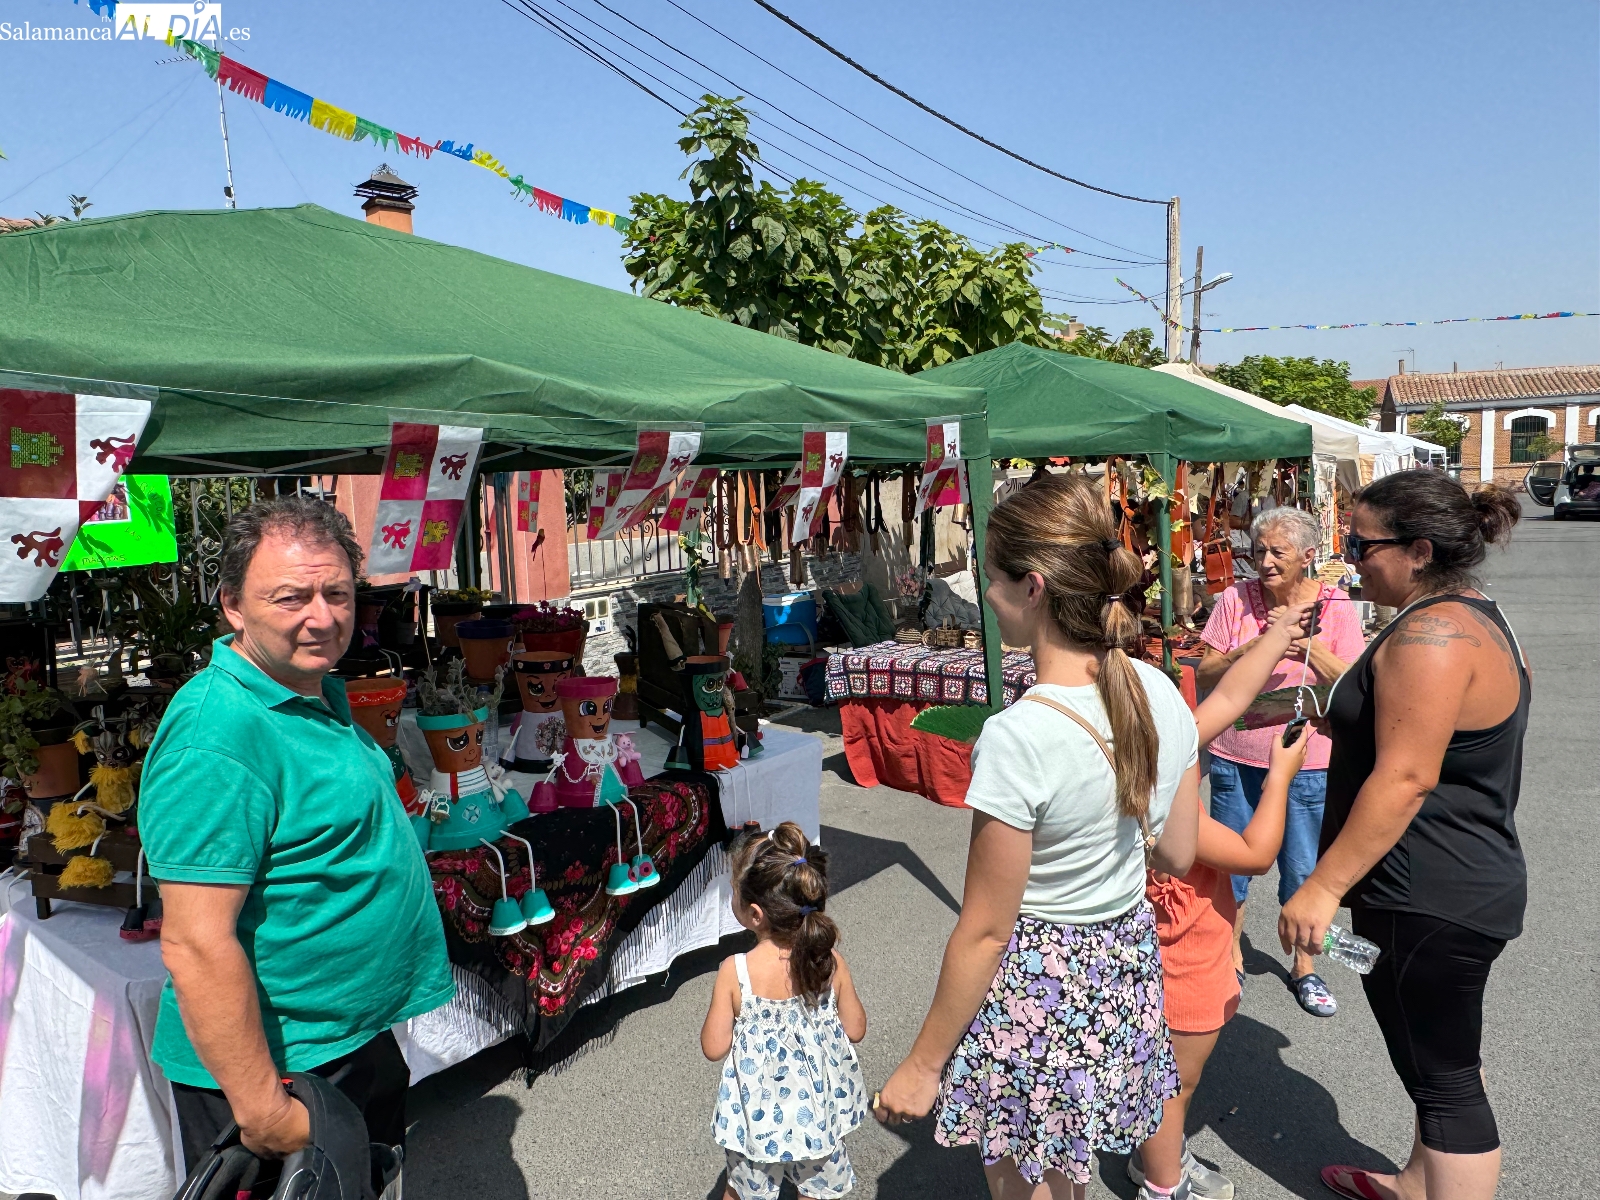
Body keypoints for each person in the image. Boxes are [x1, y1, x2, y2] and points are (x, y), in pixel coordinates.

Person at [873, 474, 1200, 1200]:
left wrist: (924, 1064)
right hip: (1120, 965)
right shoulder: (1162, 691)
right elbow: (1178, 853)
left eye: (990, 578)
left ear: (1034, 587)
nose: (984, 596)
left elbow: (987, 930)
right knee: (1067, 1167)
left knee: (1030, 1182)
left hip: (1040, 983)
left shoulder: (1019, 736)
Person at [140, 496, 453, 1186]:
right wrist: (261, 1108)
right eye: (291, 597)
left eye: (337, 593)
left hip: (348, 1040)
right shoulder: (218, 734)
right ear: (232, 606)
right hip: (283, 1069)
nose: (323, 616)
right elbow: (195, 941)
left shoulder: (306, 688)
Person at [1278, 474, 1525, 1200]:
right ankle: (1418, 1183)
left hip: (1430, 894)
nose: (1351, 560)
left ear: (1418, 550)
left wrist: (1320, 887)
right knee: (1438, 1055)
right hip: (1456, 881)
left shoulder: (1430, 635)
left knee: (1447, 1086)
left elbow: (1408, 777)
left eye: (1361, 544)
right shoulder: (1472, 613)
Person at [1130, 601, 1318, 1200]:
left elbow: (1231, 698)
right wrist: (1282, 773)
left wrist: (1278, 635)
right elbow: (1256, 852)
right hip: (1184, 971)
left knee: (1169, 1083)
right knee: (1172, 1087)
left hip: (1186, 959)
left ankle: (1162, 1154)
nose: (1195, 730)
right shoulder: (1162, 811)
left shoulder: (1144, 762)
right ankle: (1162, 1182)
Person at [1197, 505, 1363, 1017]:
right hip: (1237, 756)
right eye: (1259, 550)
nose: (1264, 562)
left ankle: (1305, 968)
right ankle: (1229, 959)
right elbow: (1205, 671)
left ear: (1309, 557)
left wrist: (1303, 645)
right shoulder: (1236, 598)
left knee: (1302, 870)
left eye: (1277, 552)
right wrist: (1260, 644)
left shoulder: (1336, 605)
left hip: (1308, 760)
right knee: (1230, 869)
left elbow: (1354, 680)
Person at [701, 822, 868, 1200]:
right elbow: (856, 1029)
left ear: (755, 914)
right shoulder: (831, 962)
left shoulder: (736, 971)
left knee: (742, 1192)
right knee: (817, 1191)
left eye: (734, 892)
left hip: (756, 1122)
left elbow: (713, 1047)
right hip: (818, 1115)